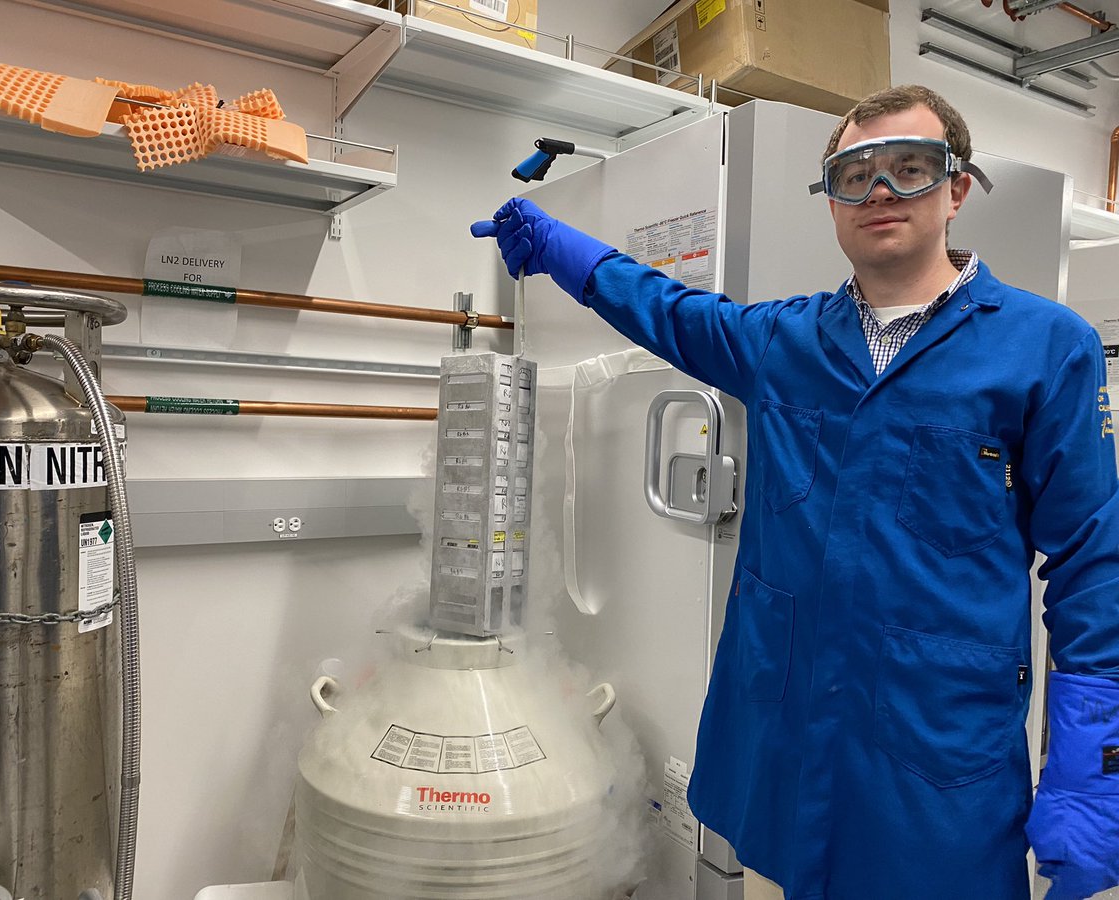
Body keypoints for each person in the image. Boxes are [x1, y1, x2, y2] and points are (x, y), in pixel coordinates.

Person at [471, 85, 1119, 900]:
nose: (880, 190)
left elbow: (1093, 557)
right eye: (855, 174)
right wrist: (556, 244)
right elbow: (665, 310)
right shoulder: (784, 341)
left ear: (956, 189)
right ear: (832, 201)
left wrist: (1093, 762)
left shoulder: (1046, 347)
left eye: (910, 167)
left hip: (936, 744)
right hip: (790, 726)